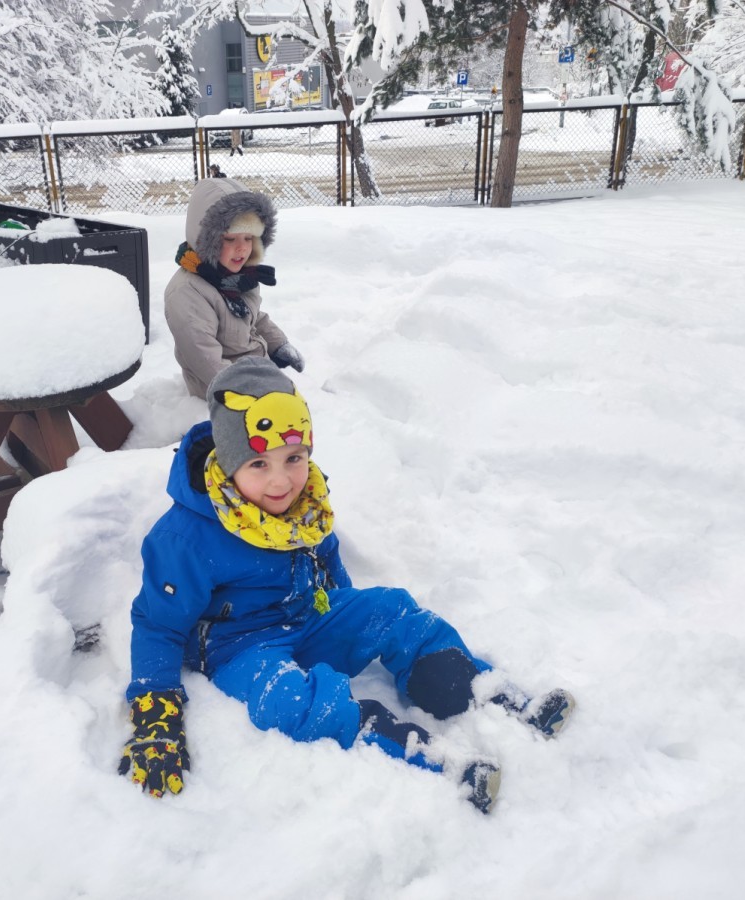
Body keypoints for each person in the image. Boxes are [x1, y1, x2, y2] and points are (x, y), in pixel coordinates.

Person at [119, 358, 576, 813]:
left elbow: (324, 552)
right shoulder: (186, 538)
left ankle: (470, 689)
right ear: (229, 461)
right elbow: (157, 625)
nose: (281, 480)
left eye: (293, 458)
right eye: (258, 463)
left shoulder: (305, 503)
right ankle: (413, 750)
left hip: (304, 616)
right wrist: (155, 714)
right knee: (289, 702)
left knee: (390, 610)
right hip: (239, 649)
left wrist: (348, 614)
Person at [165, 177, 303, 399]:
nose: (242, 248)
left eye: (248, 238)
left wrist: (278, 345)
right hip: (225, 397)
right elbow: (204, 358)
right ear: (205, 240)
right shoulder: (188, 292)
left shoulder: (237, 278)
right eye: (230, 239)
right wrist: (250, 390)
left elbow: (253, 318)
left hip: (256, 374)